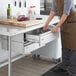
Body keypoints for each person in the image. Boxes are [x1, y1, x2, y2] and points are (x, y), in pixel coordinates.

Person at [43, 0, 76, 76]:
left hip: (73, 23)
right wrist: (46, 23)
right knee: (65, 45)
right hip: (64, 23)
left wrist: (57, 26)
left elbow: (65, 13)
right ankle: (64, 67)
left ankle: (73, 71)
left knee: (73, 48)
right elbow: (53, 11)